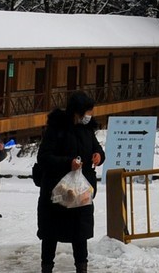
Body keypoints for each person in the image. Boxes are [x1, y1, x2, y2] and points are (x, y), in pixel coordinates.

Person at [37, 91, 104, 273]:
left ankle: (82, 268)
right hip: (57, 191)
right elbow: (44, 157)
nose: (89, 116)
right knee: (51, 234)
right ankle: (47, 267)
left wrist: (99, 156)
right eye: (87, 112)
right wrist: (68, 163)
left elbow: (97, 148)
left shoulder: (87, 129)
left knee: (79, 234)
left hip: (81, 191)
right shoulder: (56, 129)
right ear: (77, 112)